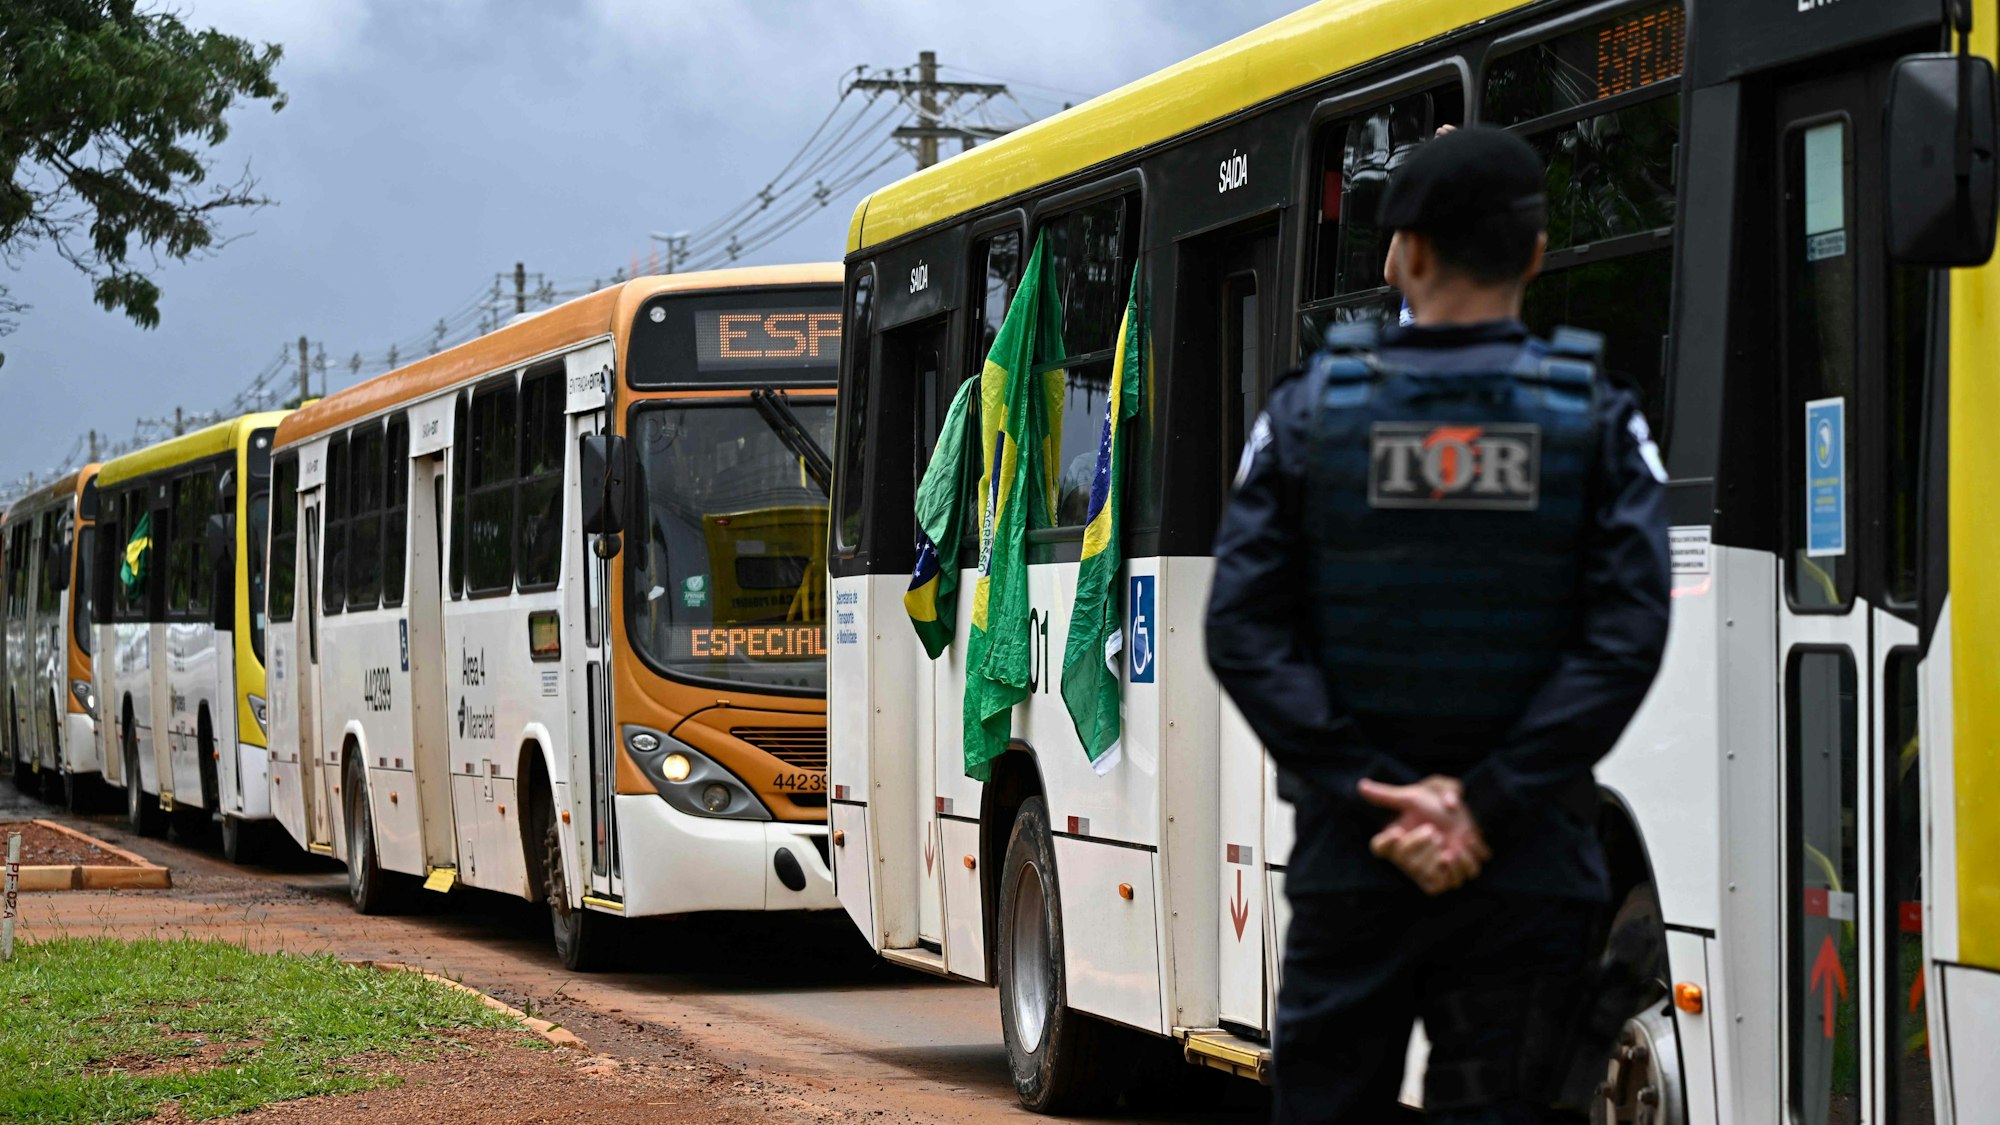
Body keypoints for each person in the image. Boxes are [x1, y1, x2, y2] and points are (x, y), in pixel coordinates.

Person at [1204, 125, 1671, 1123]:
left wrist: (1369, 789)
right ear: (1537, 255)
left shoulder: (1307, 414)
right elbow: (1625, 635)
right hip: (1529, 867)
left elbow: (1241, 627)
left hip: (1352, 862)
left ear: (1404, 254)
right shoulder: (1596, 416)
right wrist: (1486, 801)